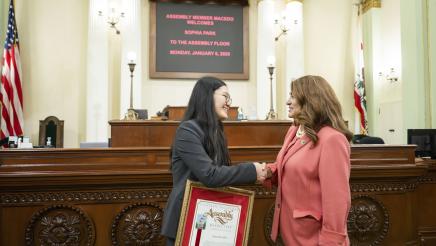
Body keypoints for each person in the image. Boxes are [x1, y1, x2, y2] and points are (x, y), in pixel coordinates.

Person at [161, 76, 267, 245]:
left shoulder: (216, 131)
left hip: (211, 220)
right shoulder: (187, 130)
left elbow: (222, 176)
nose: (229, 103)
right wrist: (252, 170)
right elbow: (210, 175)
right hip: (186, 222)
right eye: (225, 96)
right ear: (207, 96)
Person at [264, 75, 353, 245]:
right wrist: (267, 171)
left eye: (293, 96)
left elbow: (337, 200)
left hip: (313, 238)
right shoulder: (295, 131)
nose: (288, 102)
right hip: (291, 231)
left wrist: (331, 241)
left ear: (310, 100)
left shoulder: (332, 139)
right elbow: (288, 166)